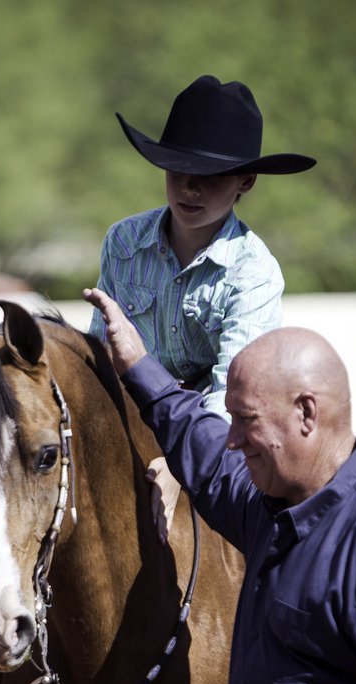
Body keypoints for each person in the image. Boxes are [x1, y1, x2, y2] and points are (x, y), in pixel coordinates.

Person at [84, 286, 356, 684]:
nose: (231, 440)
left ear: (306, 413)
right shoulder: (269, 502)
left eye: (245, 419)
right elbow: (199, 444)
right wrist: (138, 362)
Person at [89, 75, 316, 541]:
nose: (188, 187)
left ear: (245, 182)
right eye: (176, 169)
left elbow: (233, 395)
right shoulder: (122, 241)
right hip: (124, 428)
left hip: (218, 442)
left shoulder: (255, 272)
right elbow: (100, 355)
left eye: (208, 175)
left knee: (277, 542)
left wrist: (182, 464)